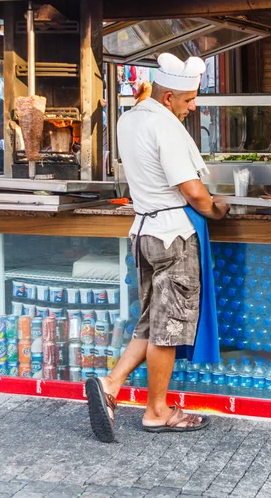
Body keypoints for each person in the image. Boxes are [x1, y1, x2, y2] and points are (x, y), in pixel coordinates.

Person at [86, 53, 229, 442]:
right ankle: (157, 411)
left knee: (150, 321)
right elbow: (192, 190)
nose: (192, 106)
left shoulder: (130, 118)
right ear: (168, 98)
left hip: (145, 232)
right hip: (173, 235)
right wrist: (216, 209)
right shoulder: (164, 126)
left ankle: (111, 384)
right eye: (187, 100)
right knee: (168, 328)